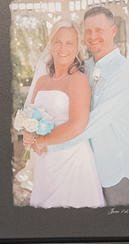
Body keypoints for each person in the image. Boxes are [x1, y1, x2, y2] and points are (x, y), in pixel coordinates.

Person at [18, 22, 105, 207]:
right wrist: (28, 134)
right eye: (58, 42)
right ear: (50, 44)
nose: (63, 48)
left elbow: (77, 125)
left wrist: (40, 141)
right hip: (44, 162)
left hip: (71, 161)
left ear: (76, 48)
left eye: (69, 43)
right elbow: (30, 116)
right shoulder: (41, 81)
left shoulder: (78, 80)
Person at [81, 4, 129, 209]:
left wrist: (53, 141)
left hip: (118, 173)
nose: (93, 36)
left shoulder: (122, 72)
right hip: (92, 169)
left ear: (113, 30)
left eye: (99, 30)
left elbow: (94, 120)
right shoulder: (85, 67)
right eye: (88, 31)